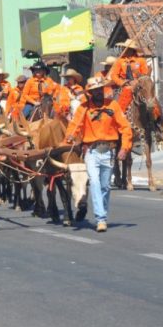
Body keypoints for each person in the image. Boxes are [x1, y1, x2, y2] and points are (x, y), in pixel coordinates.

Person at [66, 77, 131, 232]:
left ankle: (102, 215)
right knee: (94, 182)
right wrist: (69, 136)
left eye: (100, 89)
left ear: (103, 90)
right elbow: (75, 125)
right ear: (90, 93)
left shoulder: (113, 105)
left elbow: (125, 127)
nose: (98, 92)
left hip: (109, 151)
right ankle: (100, 219)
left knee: (105, 186)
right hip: (91, 152)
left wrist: (125, 148)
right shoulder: (83, 108)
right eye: (94, 90)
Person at [109, 39, 150, 111]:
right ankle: (122, 114)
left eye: (126, 48)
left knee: (151, 100)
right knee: (126, 93)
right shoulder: (119, 61)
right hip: (126, 85)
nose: (124, 50)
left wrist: (137, 81)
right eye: (124, 48)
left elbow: (145, 75)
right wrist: (122, 82)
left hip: (139, 85)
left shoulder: (141, 60)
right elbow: (114, 75)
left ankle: (156, 118)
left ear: (132, 50)